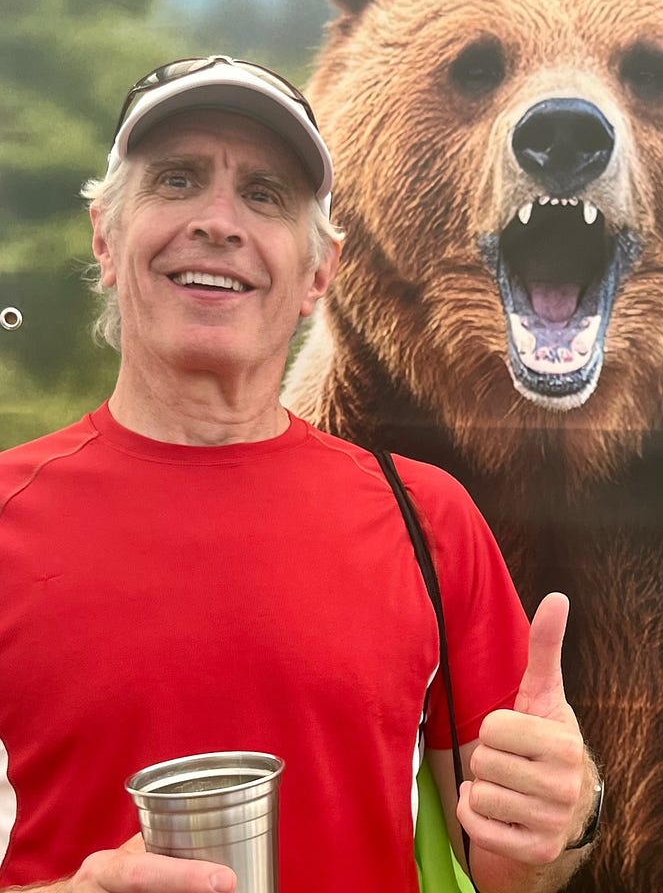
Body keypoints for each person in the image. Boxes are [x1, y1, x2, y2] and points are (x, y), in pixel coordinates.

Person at [0, 55, 603, 893]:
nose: (217, 221)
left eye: (264, 194)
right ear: (106, 236)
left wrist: (566, 818)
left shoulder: (424, 519)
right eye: (176, 180)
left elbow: (512, 872)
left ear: (320, 272)